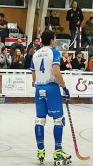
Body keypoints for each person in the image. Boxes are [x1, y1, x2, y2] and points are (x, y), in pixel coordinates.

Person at [29, 30, 71, 165]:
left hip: (39, 88)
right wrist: (64, 87)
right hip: (51, 88)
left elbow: (33, 77)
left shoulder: (35, 54)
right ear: (52, 40)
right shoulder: (54, 52)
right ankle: (58, 150)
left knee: (40, 120)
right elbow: (56, 72)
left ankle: (40, 151)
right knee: (58, 120)